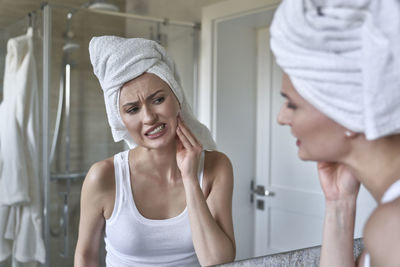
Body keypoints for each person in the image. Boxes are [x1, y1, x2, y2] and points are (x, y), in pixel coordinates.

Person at [74, 37, 235, 267]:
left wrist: (190, 178)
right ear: (120, 120)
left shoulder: (216, 168)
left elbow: (218, 261)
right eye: (132, 109)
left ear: (177, 98)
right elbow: (86, 257)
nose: (149, 117)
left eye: (158, 99)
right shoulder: (103, 177)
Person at [270, 0, 400, 266]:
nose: (281, 118)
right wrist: (339, 201)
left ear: (350, 113)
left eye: (293, 104)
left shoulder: (393, 226)